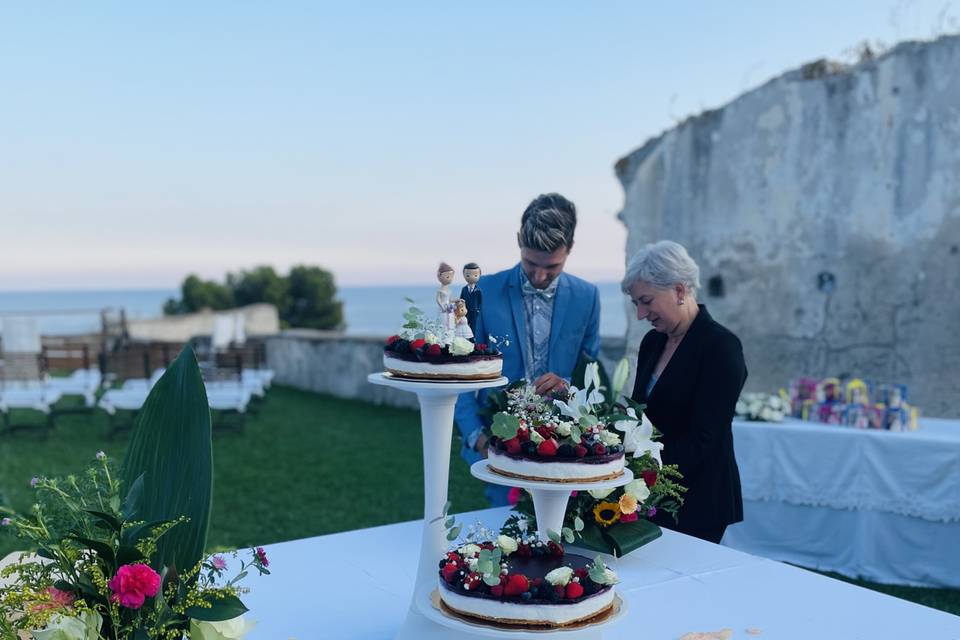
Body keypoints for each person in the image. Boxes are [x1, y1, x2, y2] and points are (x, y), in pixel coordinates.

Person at [454, 193, 601, 505]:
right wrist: (478, 439)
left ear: (570, 249)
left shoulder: (588, 297)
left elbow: (591, 375)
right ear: (519, 241)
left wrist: (568, 390)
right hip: (496, 448)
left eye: (553, 266)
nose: (539, 276)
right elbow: (461, 374)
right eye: (531, 263)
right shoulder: (481, 293)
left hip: (565, 452)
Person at [623, 240, 746, 543]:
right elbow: (643, 417)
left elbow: (704, 438)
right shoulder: (652, 343)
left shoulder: (721, 347)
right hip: (651, 492)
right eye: (635, 303)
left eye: (646, 301)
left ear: (679, 290)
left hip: (699, 499)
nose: (641, 314)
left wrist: (642, 472)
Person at [459, 263, 483, 337]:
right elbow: (461, 299)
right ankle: (464, 339)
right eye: (468, 275)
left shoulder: (478, 290)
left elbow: (480, 301)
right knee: (464, 325)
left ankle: (473, 340)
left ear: (479, 275)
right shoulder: (464, 289)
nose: (471, 277)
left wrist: (478, 309)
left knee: (474, 327)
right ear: (464, 275)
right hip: (465, 311)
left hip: (474, 312)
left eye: (475, 275)